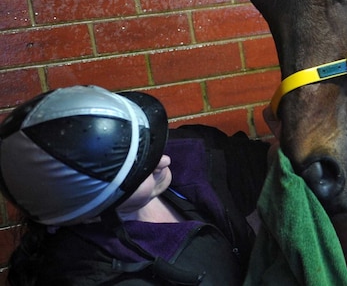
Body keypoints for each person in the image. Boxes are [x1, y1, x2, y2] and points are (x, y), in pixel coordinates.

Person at [0, 85, 271, 285]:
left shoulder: (188, 151)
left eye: (151, 146)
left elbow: (259, 160)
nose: (164, 161)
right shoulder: (103, 275)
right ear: (93, 209)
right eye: (141, 170)